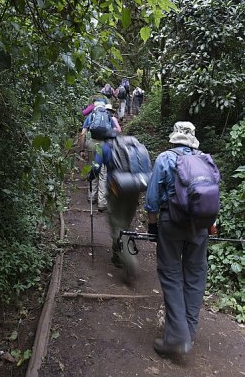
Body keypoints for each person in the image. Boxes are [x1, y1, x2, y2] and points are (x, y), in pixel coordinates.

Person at [145, 121, 209, 355]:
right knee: (195, 276)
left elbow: (152, 199)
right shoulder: (205, 159)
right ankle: (189, 332)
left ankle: (178, 337)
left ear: (174, 138)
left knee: (171, 275)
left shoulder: (164, 158)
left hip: (171, 224)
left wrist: (153, 228)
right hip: (200, 226)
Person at [87, 135, 140, 267]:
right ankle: (117, 253)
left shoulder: (104, 147)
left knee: (116, 223)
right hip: (136, 187)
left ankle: (128, 259)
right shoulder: (133, 146)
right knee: (126, 222)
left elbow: (96, 167)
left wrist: (90, 177)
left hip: (116, 188)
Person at [79, 102, 117, 212]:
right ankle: (102, 202)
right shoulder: (108, 117)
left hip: (92, 145)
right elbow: (113, 132)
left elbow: (83, 133)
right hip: (103, 146)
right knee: (103, 173)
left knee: (93, 168)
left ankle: (92, 197)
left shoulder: (91, 116)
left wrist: (82, 149)